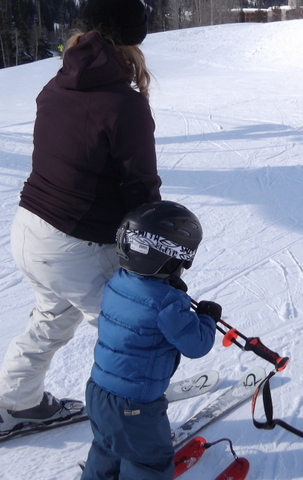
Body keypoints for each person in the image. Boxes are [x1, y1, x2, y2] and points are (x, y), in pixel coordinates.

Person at [0, 0, 162, 433]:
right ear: (134, 41)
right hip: (74, 245)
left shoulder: (56, 84)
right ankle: (133, 426)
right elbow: (141, 190)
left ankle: (16, 403)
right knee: (129, 333)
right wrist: (156, 258)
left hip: (29, 230)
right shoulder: (125, 104)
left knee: (52, 317)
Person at [81, 201, 221, 480]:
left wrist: (167, 285)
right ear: (167, 260)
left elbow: (143, 304)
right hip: (135, 407)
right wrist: (207, 318)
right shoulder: (168, 303)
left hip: (97, 393)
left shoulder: (118, 280)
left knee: (108, 447)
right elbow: (196, 345)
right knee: (149, 462)